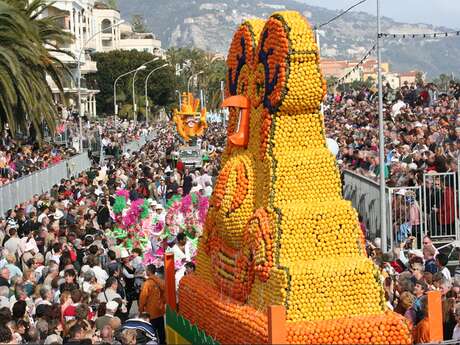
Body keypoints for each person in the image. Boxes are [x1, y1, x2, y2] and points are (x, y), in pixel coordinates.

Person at [139, 264, 165, 345]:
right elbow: (165, 295)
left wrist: (141, 310)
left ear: (149, 271)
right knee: (161, 330)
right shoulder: (161, 281)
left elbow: (142, 298)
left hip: (150, 312)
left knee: (151, 331)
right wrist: (161, 303)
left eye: (146, 270)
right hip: (160, 310)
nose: (145, 271)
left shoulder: (147, 284)